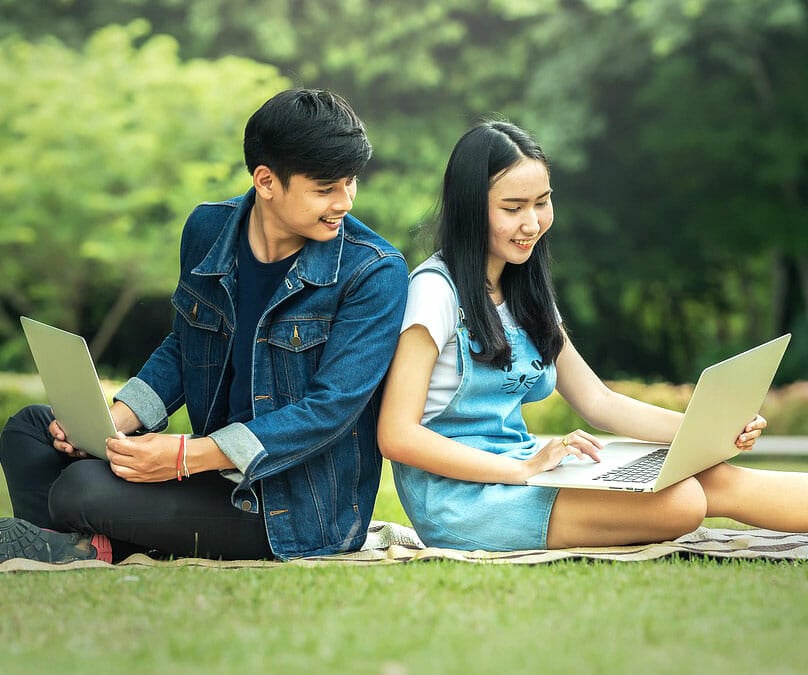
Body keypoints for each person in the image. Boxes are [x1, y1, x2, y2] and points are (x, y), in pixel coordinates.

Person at [0, 88, 408, 563]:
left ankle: (79, 540)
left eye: (350, 182)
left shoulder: (374, 272)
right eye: (325, 189)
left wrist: (184, 458)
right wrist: (114, 422)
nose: (345, 202)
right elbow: (183, 344)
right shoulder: (207, 231)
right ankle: (87, 545)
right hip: (207, 471)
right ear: (266, 180)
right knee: (31, 429)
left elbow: (328, 412)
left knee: (80, 487)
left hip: (287, 505)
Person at [377, 119, 808, 552]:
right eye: (513, 208)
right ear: (470, 208)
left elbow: (598, 401)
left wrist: (710, 432)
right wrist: (523, 469)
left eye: (542, 202)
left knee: (714, 476)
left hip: (526, 469)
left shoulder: (525, 291)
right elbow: (396, 434)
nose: (532, 223)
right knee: (682, 502)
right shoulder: (434, 291)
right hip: (463, 498)